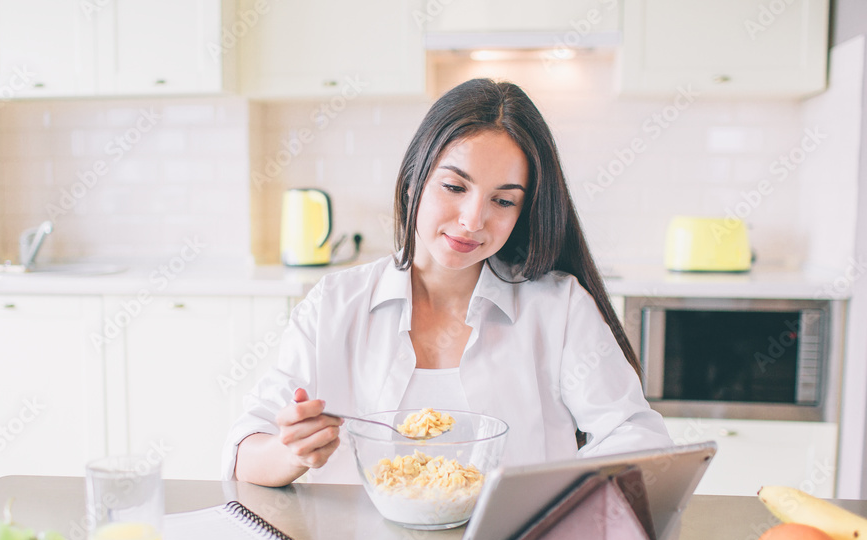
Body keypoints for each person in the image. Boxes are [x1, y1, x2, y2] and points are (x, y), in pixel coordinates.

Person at [224, 78, 672, 487]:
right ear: (414, 179)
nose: (473, 220)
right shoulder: (335, 305)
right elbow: (243, 456)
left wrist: (566, 494)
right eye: (455, 187)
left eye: (502, 200)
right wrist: (292, 450)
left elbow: (637, 435)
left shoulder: (559, 308)